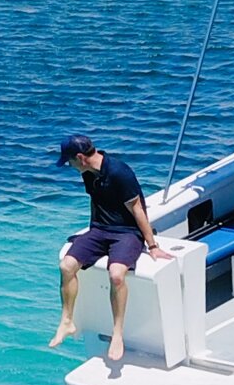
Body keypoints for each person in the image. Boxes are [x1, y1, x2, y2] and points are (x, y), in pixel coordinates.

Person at [51, 135, 170, 364]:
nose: (69, 166)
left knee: (116, 274)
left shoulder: (119, 172)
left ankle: (117, 333)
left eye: (69, 162)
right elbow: (98, 203)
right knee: (66, 266)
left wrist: (152, 245)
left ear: (80, 158)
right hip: (99, 231)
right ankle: (67, 320)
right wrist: (85, 239)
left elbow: (137, 210)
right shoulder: (88, 172)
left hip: (127, 233)